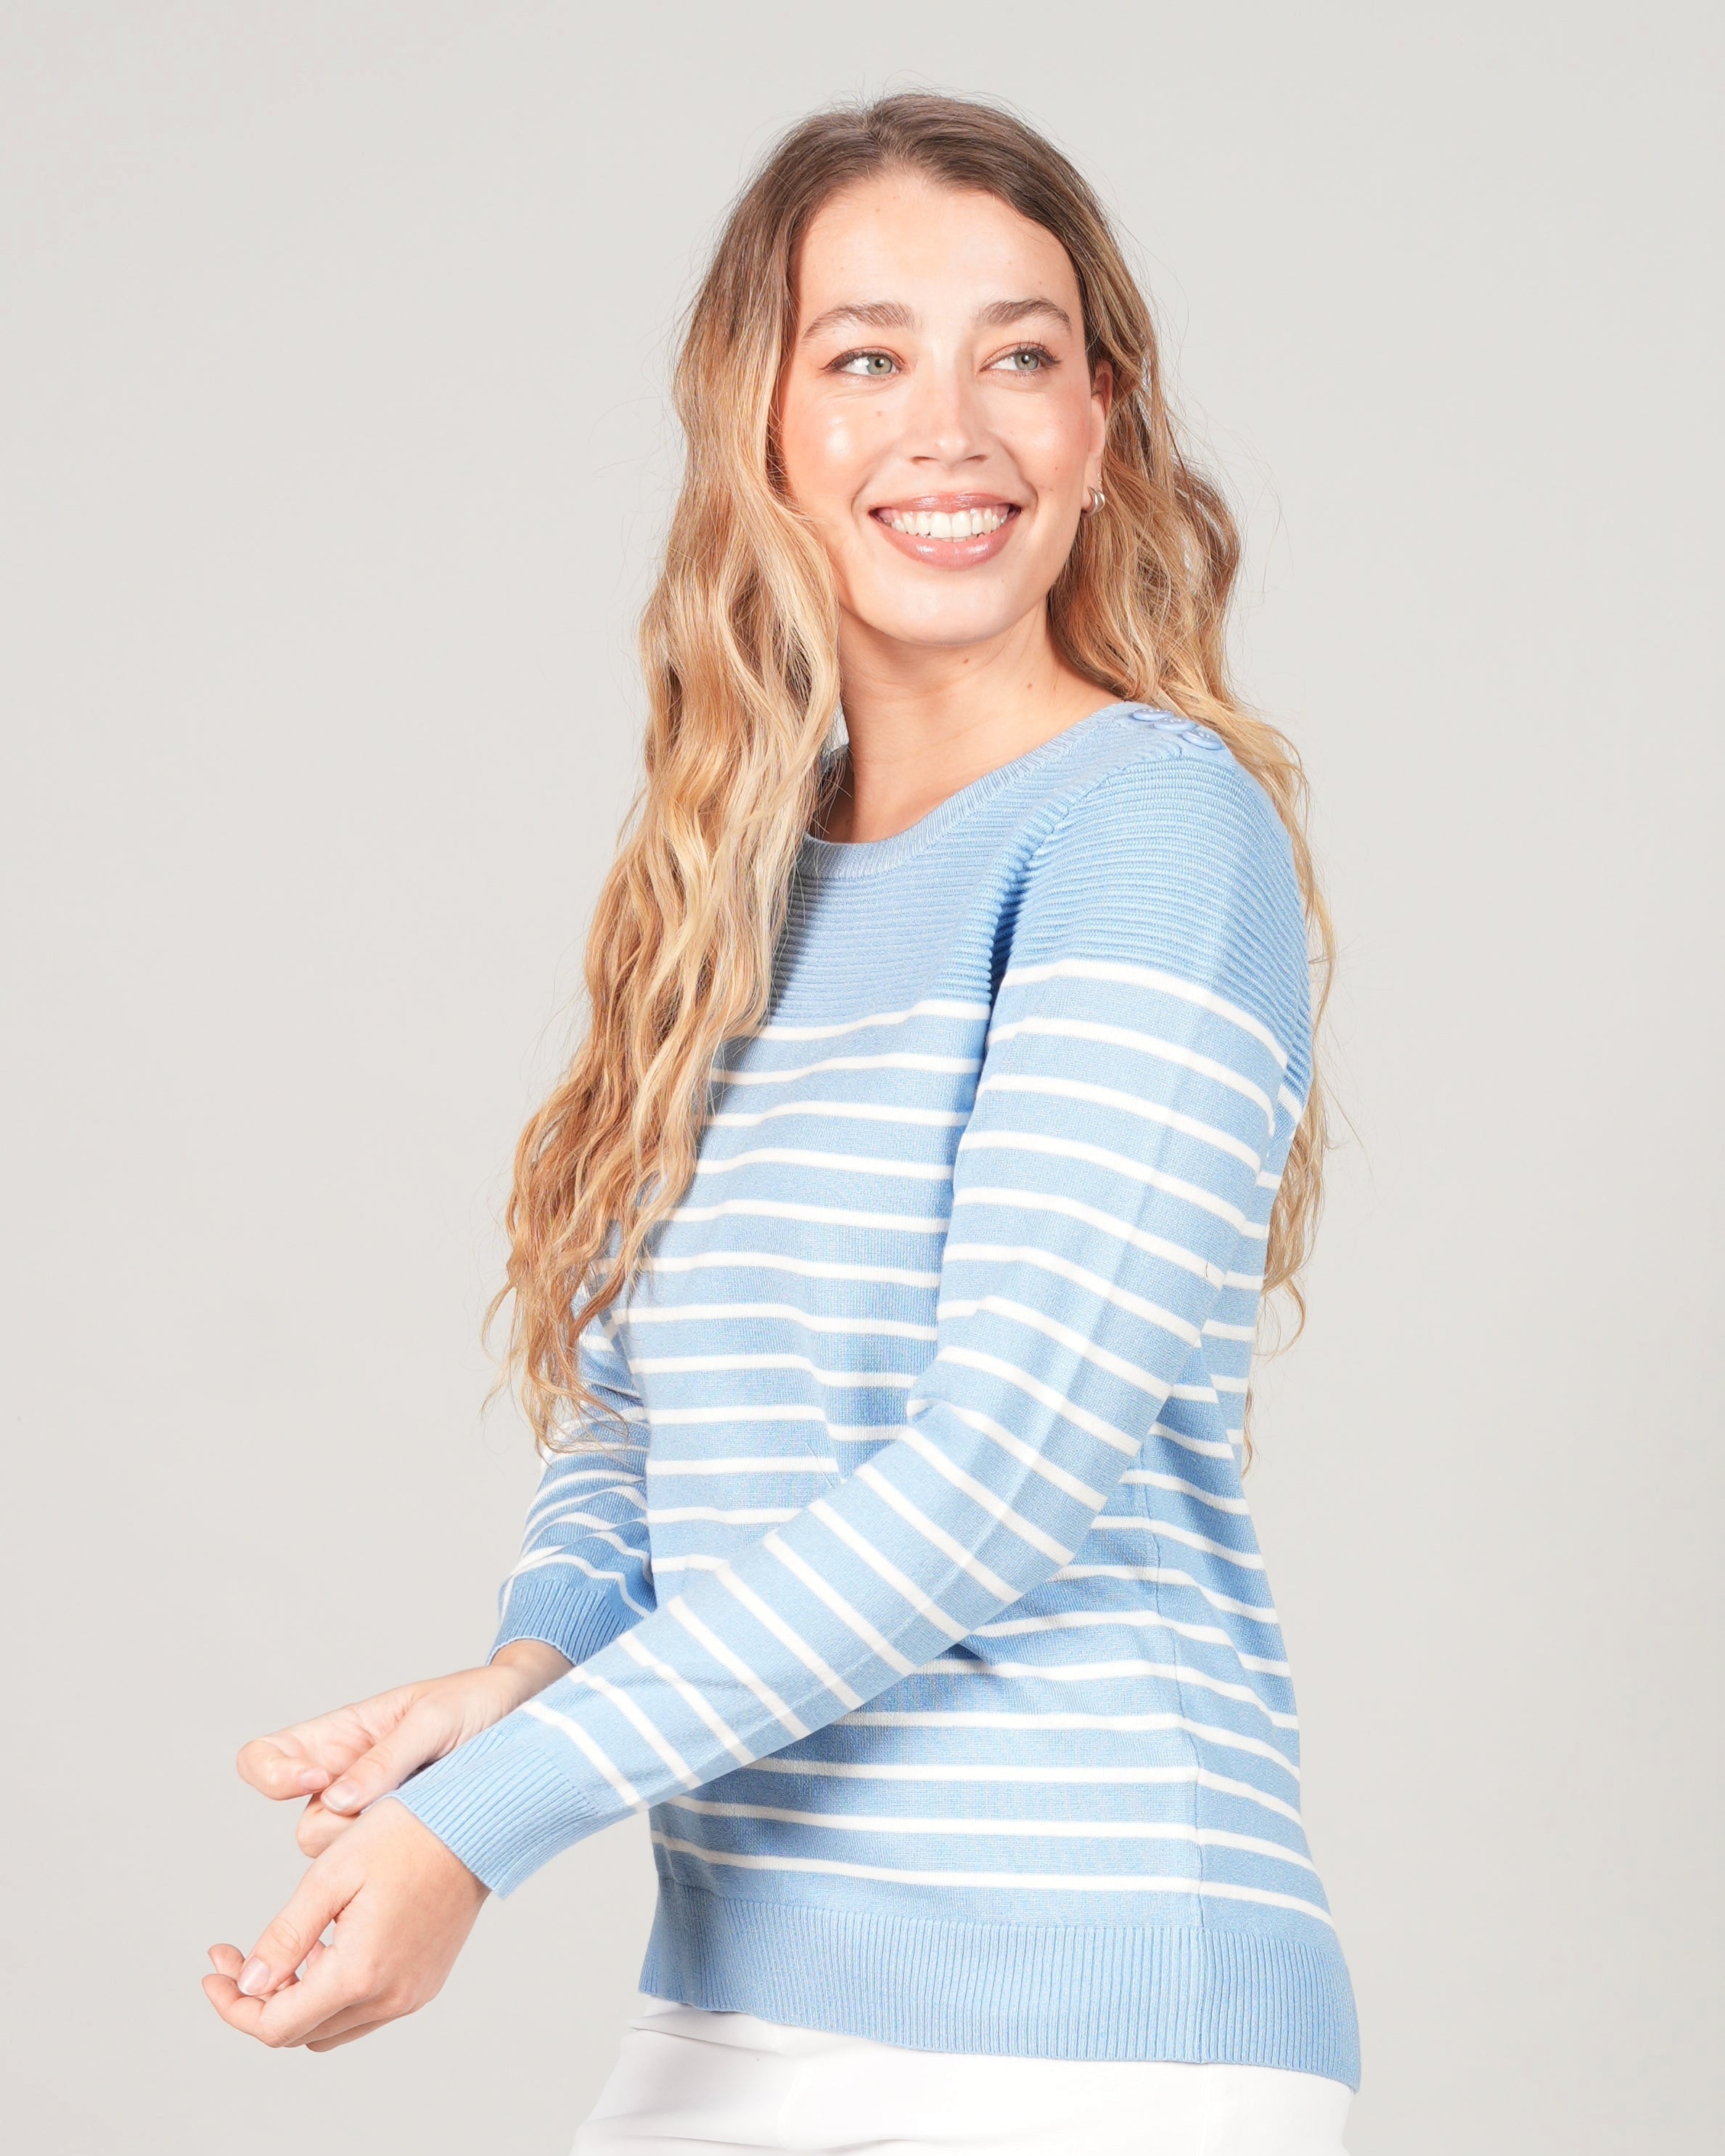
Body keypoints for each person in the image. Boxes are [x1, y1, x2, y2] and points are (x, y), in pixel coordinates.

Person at [204, 91, 1359, 2154]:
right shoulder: (734, 889)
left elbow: (999, 1471)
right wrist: (521, 1678)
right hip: (740, 1998)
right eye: (867, 358)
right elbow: (647, 1439)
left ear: (1104, 423)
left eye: (1020, 354)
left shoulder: (1149, 830)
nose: (953, 430)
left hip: (1089, 2020)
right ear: (760, 424)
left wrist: (482, 1823)